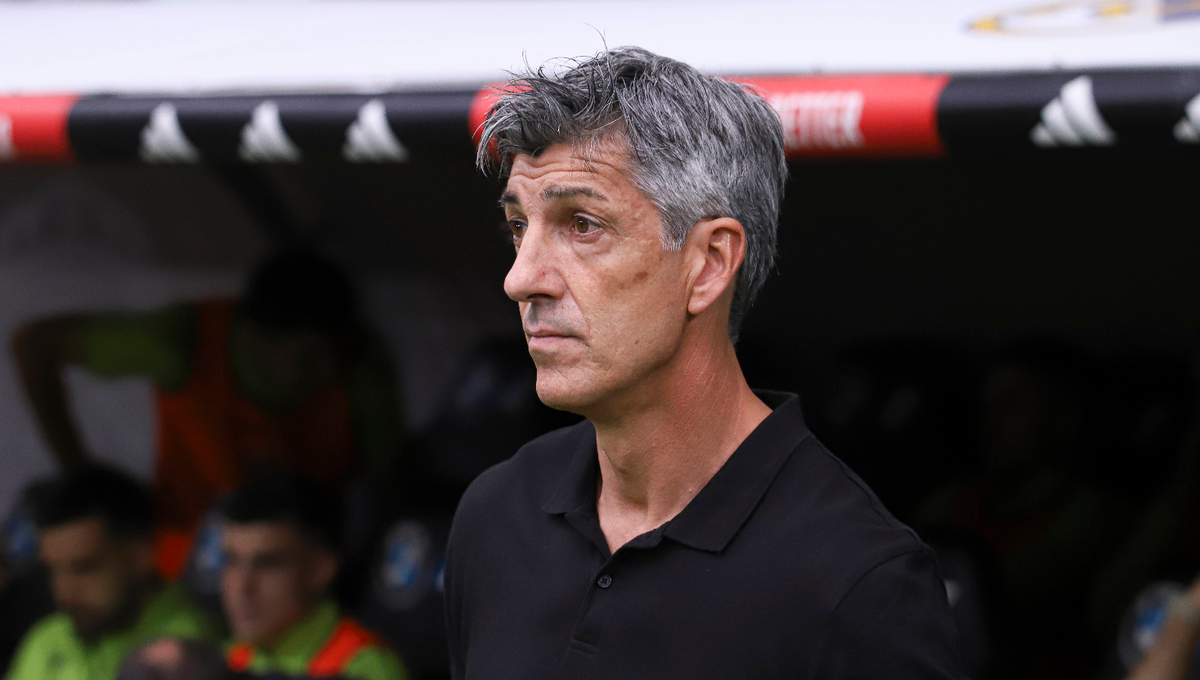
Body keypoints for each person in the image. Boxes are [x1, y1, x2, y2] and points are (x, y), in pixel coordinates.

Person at [443, 47, 963, 679]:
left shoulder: (858, 581)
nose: (520, 279)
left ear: (710, 264)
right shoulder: (497, 513)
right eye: (518, 226)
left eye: (582, 224)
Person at [12, 247, 404, 578]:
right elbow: (33, 344)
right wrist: (78, 472)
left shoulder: (361, 366)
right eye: (310, 356)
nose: (329, 372)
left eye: (338, 355)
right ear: (260, 337)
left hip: (304, 577)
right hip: (185, 566)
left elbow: (383, 485)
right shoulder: (184, 343)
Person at [6, 466, 220, 680]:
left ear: (141, 554)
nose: (63, 593)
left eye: (84, 568)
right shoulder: (47, 638)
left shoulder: (194, 649)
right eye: (53, 569)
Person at [219, 469, 407, 680]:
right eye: (232, 561)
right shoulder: (230, 656)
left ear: (320, 569)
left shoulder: (365, 669)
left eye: (268, 564)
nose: (242, 587)